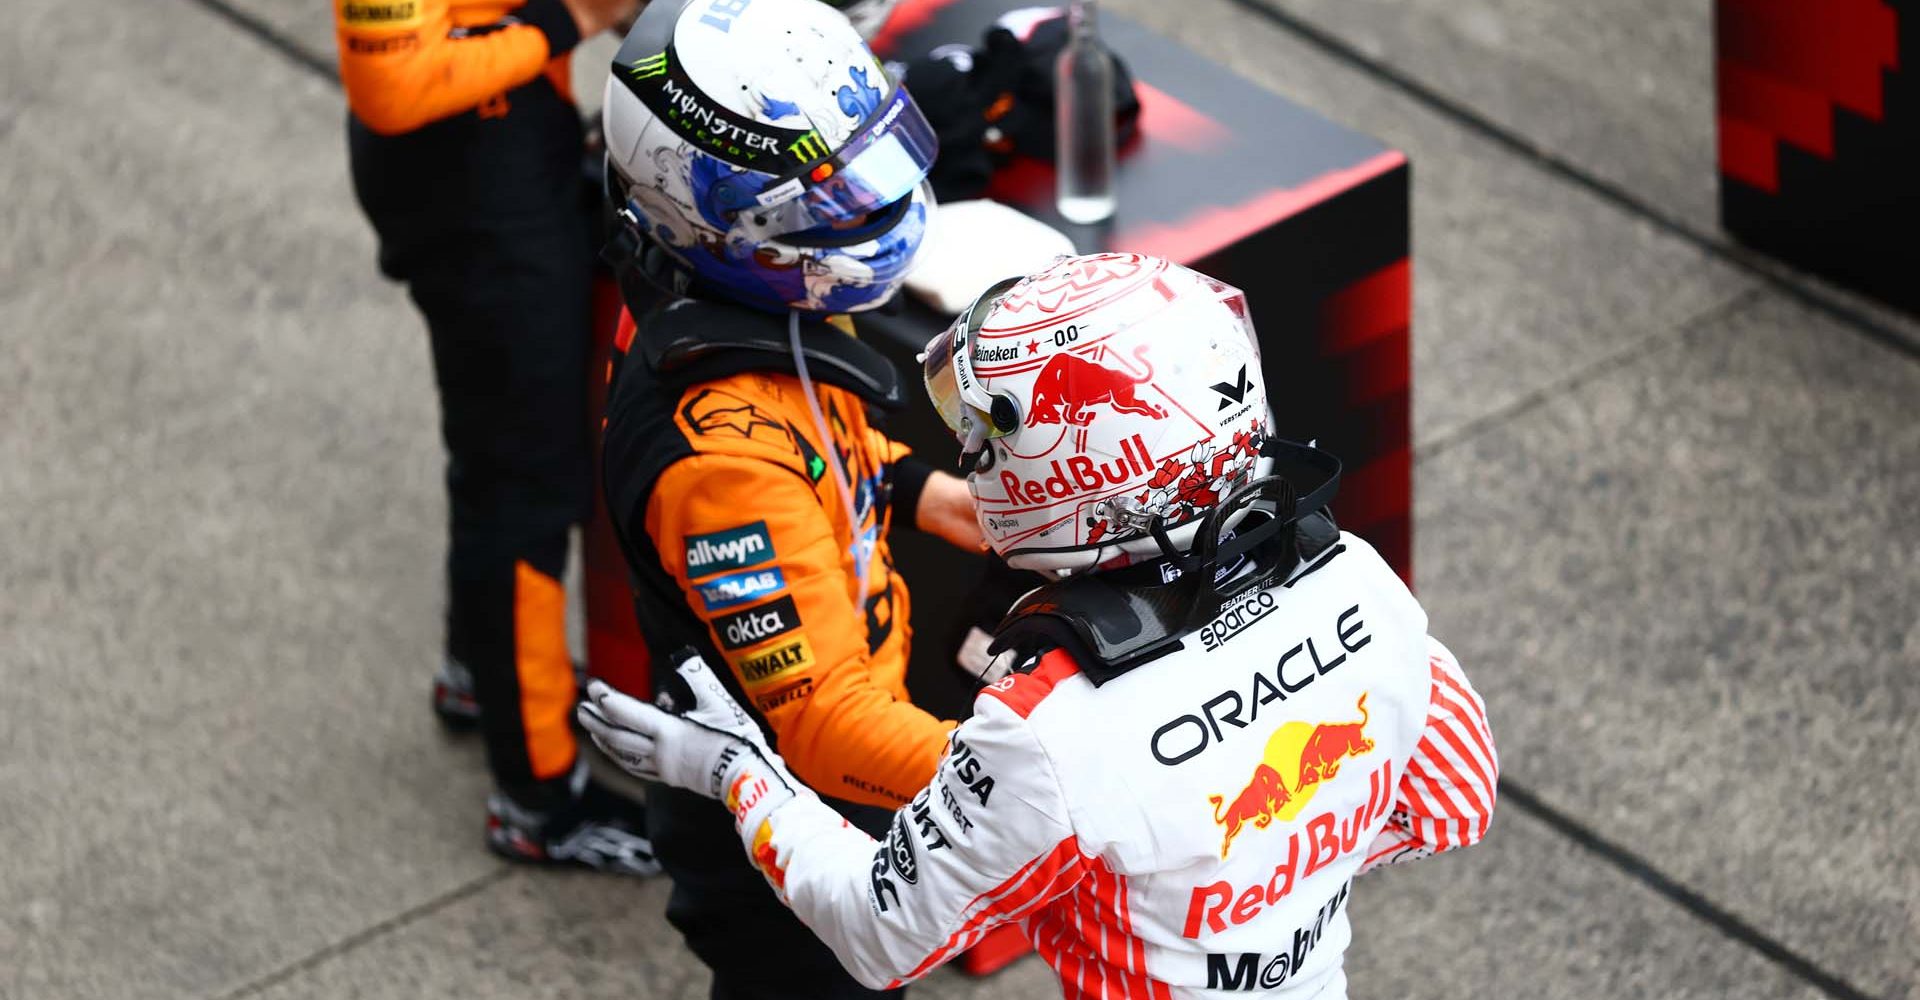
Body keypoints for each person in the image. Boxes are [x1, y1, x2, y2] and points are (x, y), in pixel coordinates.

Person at [581, 253, 1501, 998]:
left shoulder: (1050, 728)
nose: (975, 454)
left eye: (989, 435)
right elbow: (1458, 798)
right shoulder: (1356, 579)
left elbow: (875, 936)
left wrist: (734, 771)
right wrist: (1273, 876)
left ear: (1082, 462)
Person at [593, 0, 982, 995]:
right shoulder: (720, 462)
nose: (866, 219)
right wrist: (1046, 790)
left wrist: (914, 487)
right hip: (785, 834)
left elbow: (815, 445)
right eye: (830, 203)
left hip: (835, 766)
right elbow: (828, 728)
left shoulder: (755, 300)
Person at [334, 0, 658, 872]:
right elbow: (392, 88)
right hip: (467, 184)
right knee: (524, 489)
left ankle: (479, 673)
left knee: (495, 452)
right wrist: (576, 18)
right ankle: (537, 797)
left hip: (513, 134)